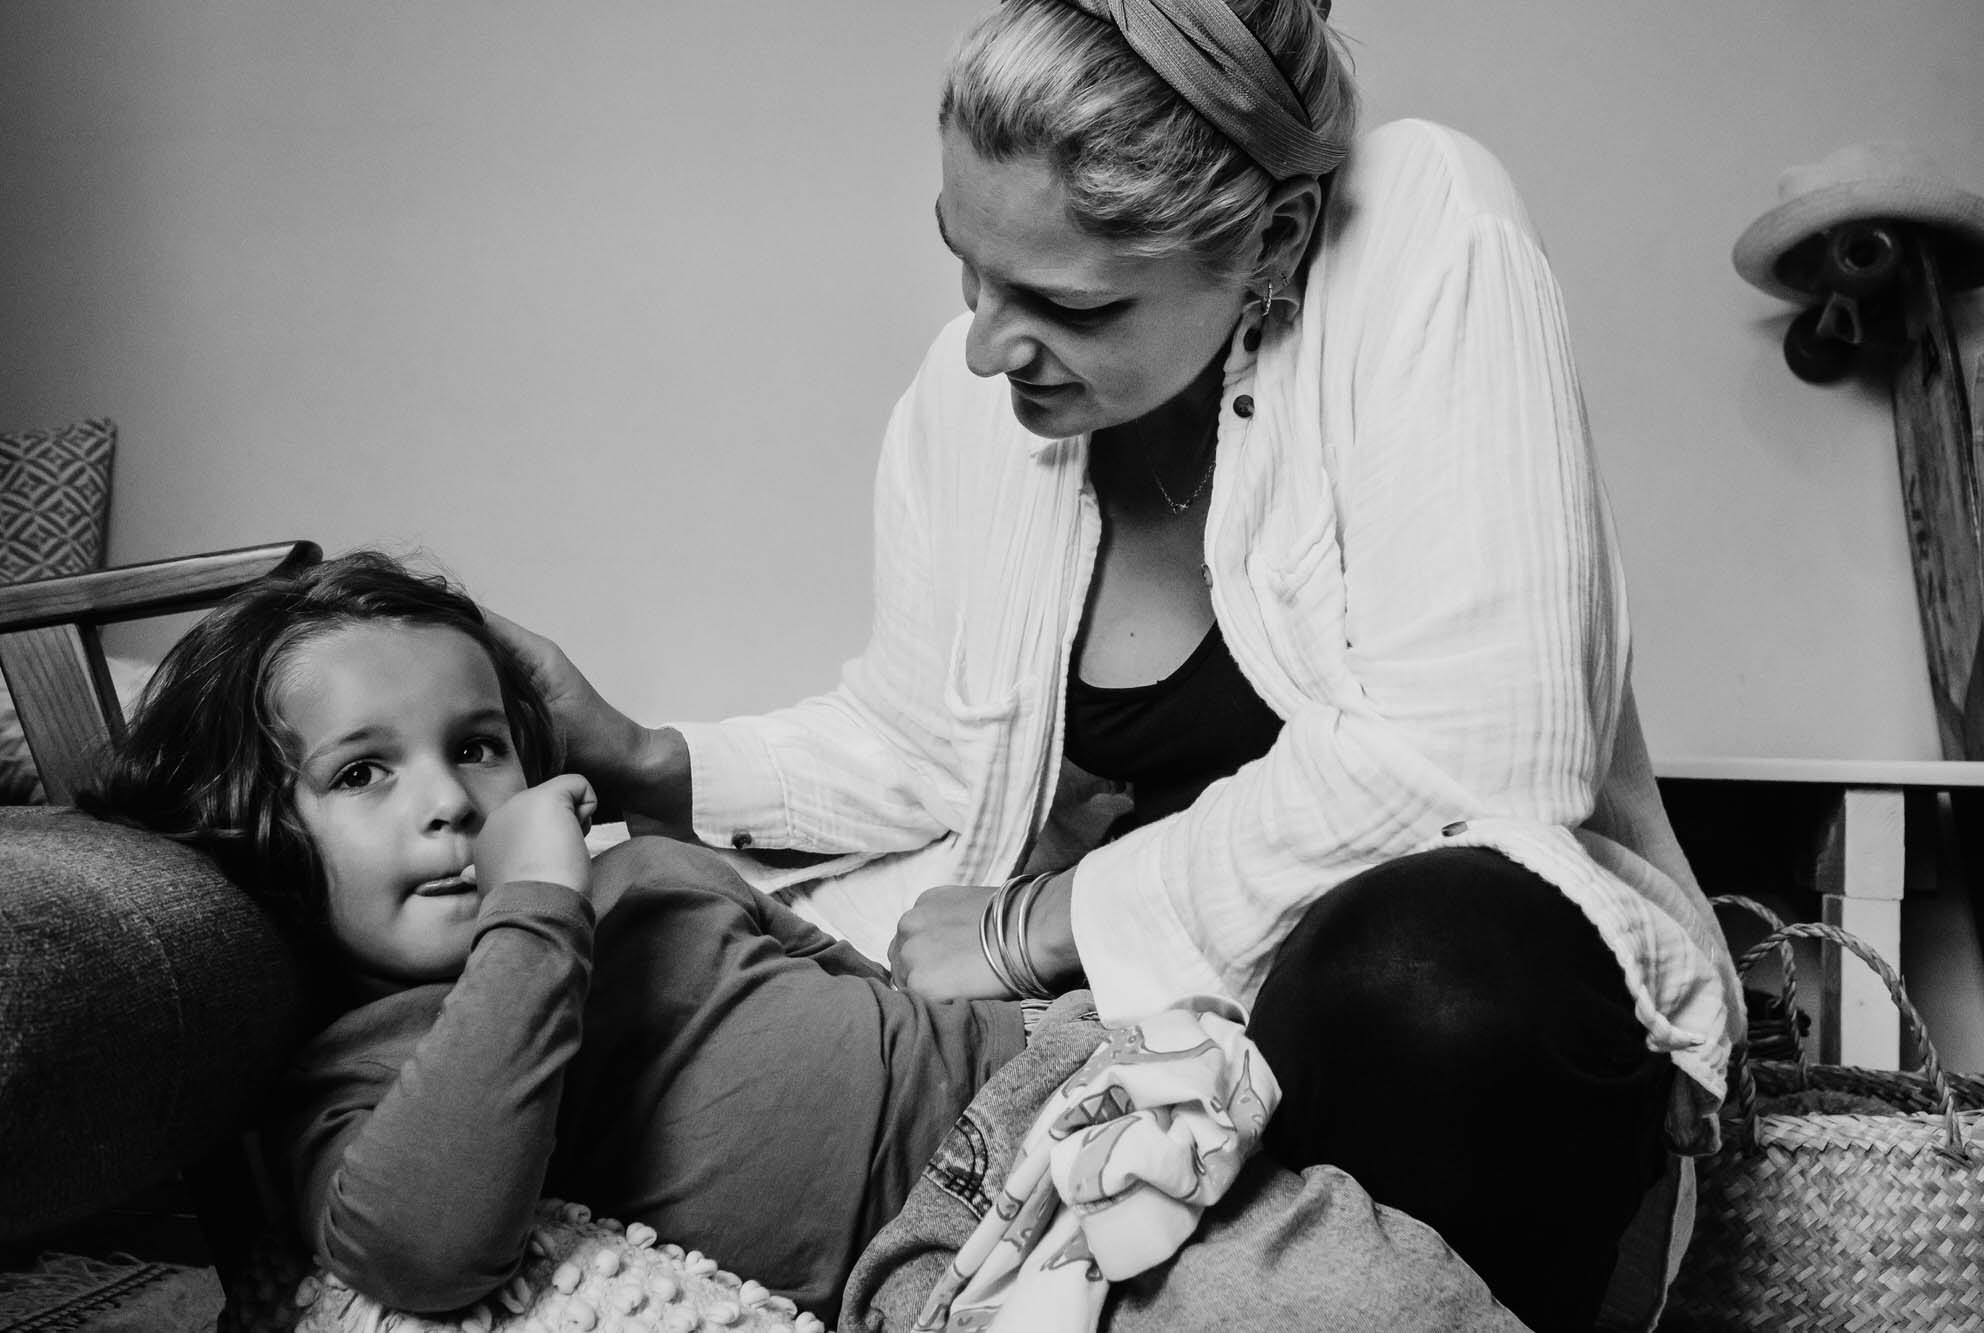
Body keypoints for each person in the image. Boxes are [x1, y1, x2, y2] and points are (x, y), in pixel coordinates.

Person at [500, 2, 1747, 1327]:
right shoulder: (971, 399)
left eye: (1065, 302)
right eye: (966, 267)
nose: (984, 345)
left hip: (1436, 1042)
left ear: (1274, 239)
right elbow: (928, 744)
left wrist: (1041, 924)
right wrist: (648, 756)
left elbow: (1486, 749)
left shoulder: (1426, 224)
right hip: (1150, 1047)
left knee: (1426, 976)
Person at [84, 551, 1029, 1323]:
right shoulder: (358, 1077)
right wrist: (533, 910)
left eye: (475, 746)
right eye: (364, 771)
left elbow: (861, 990)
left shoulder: (651, 874)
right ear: (254, 831)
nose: (450, 801)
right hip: (947, 1258)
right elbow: (425, 1253)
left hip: (1053, 1076)